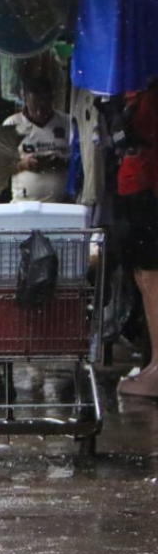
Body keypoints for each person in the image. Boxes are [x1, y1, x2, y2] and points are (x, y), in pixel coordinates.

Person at [115, 81, 158, 397]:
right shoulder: (133, 89)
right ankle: (153, 362)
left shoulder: (148, 92)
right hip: (134, 188)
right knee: (143, 277)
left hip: (148, 188)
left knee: (152, 277)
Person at [5, 76, 71, 202]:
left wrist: (59, 161)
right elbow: (0, 166)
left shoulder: (66, 122)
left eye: (44, 107)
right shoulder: (11, 124)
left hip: (60, 204)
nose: (40, 113)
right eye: (34, 108)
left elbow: (79, 160)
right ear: (25, 99)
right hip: (24, 203)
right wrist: (24, 164)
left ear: (52, 99)